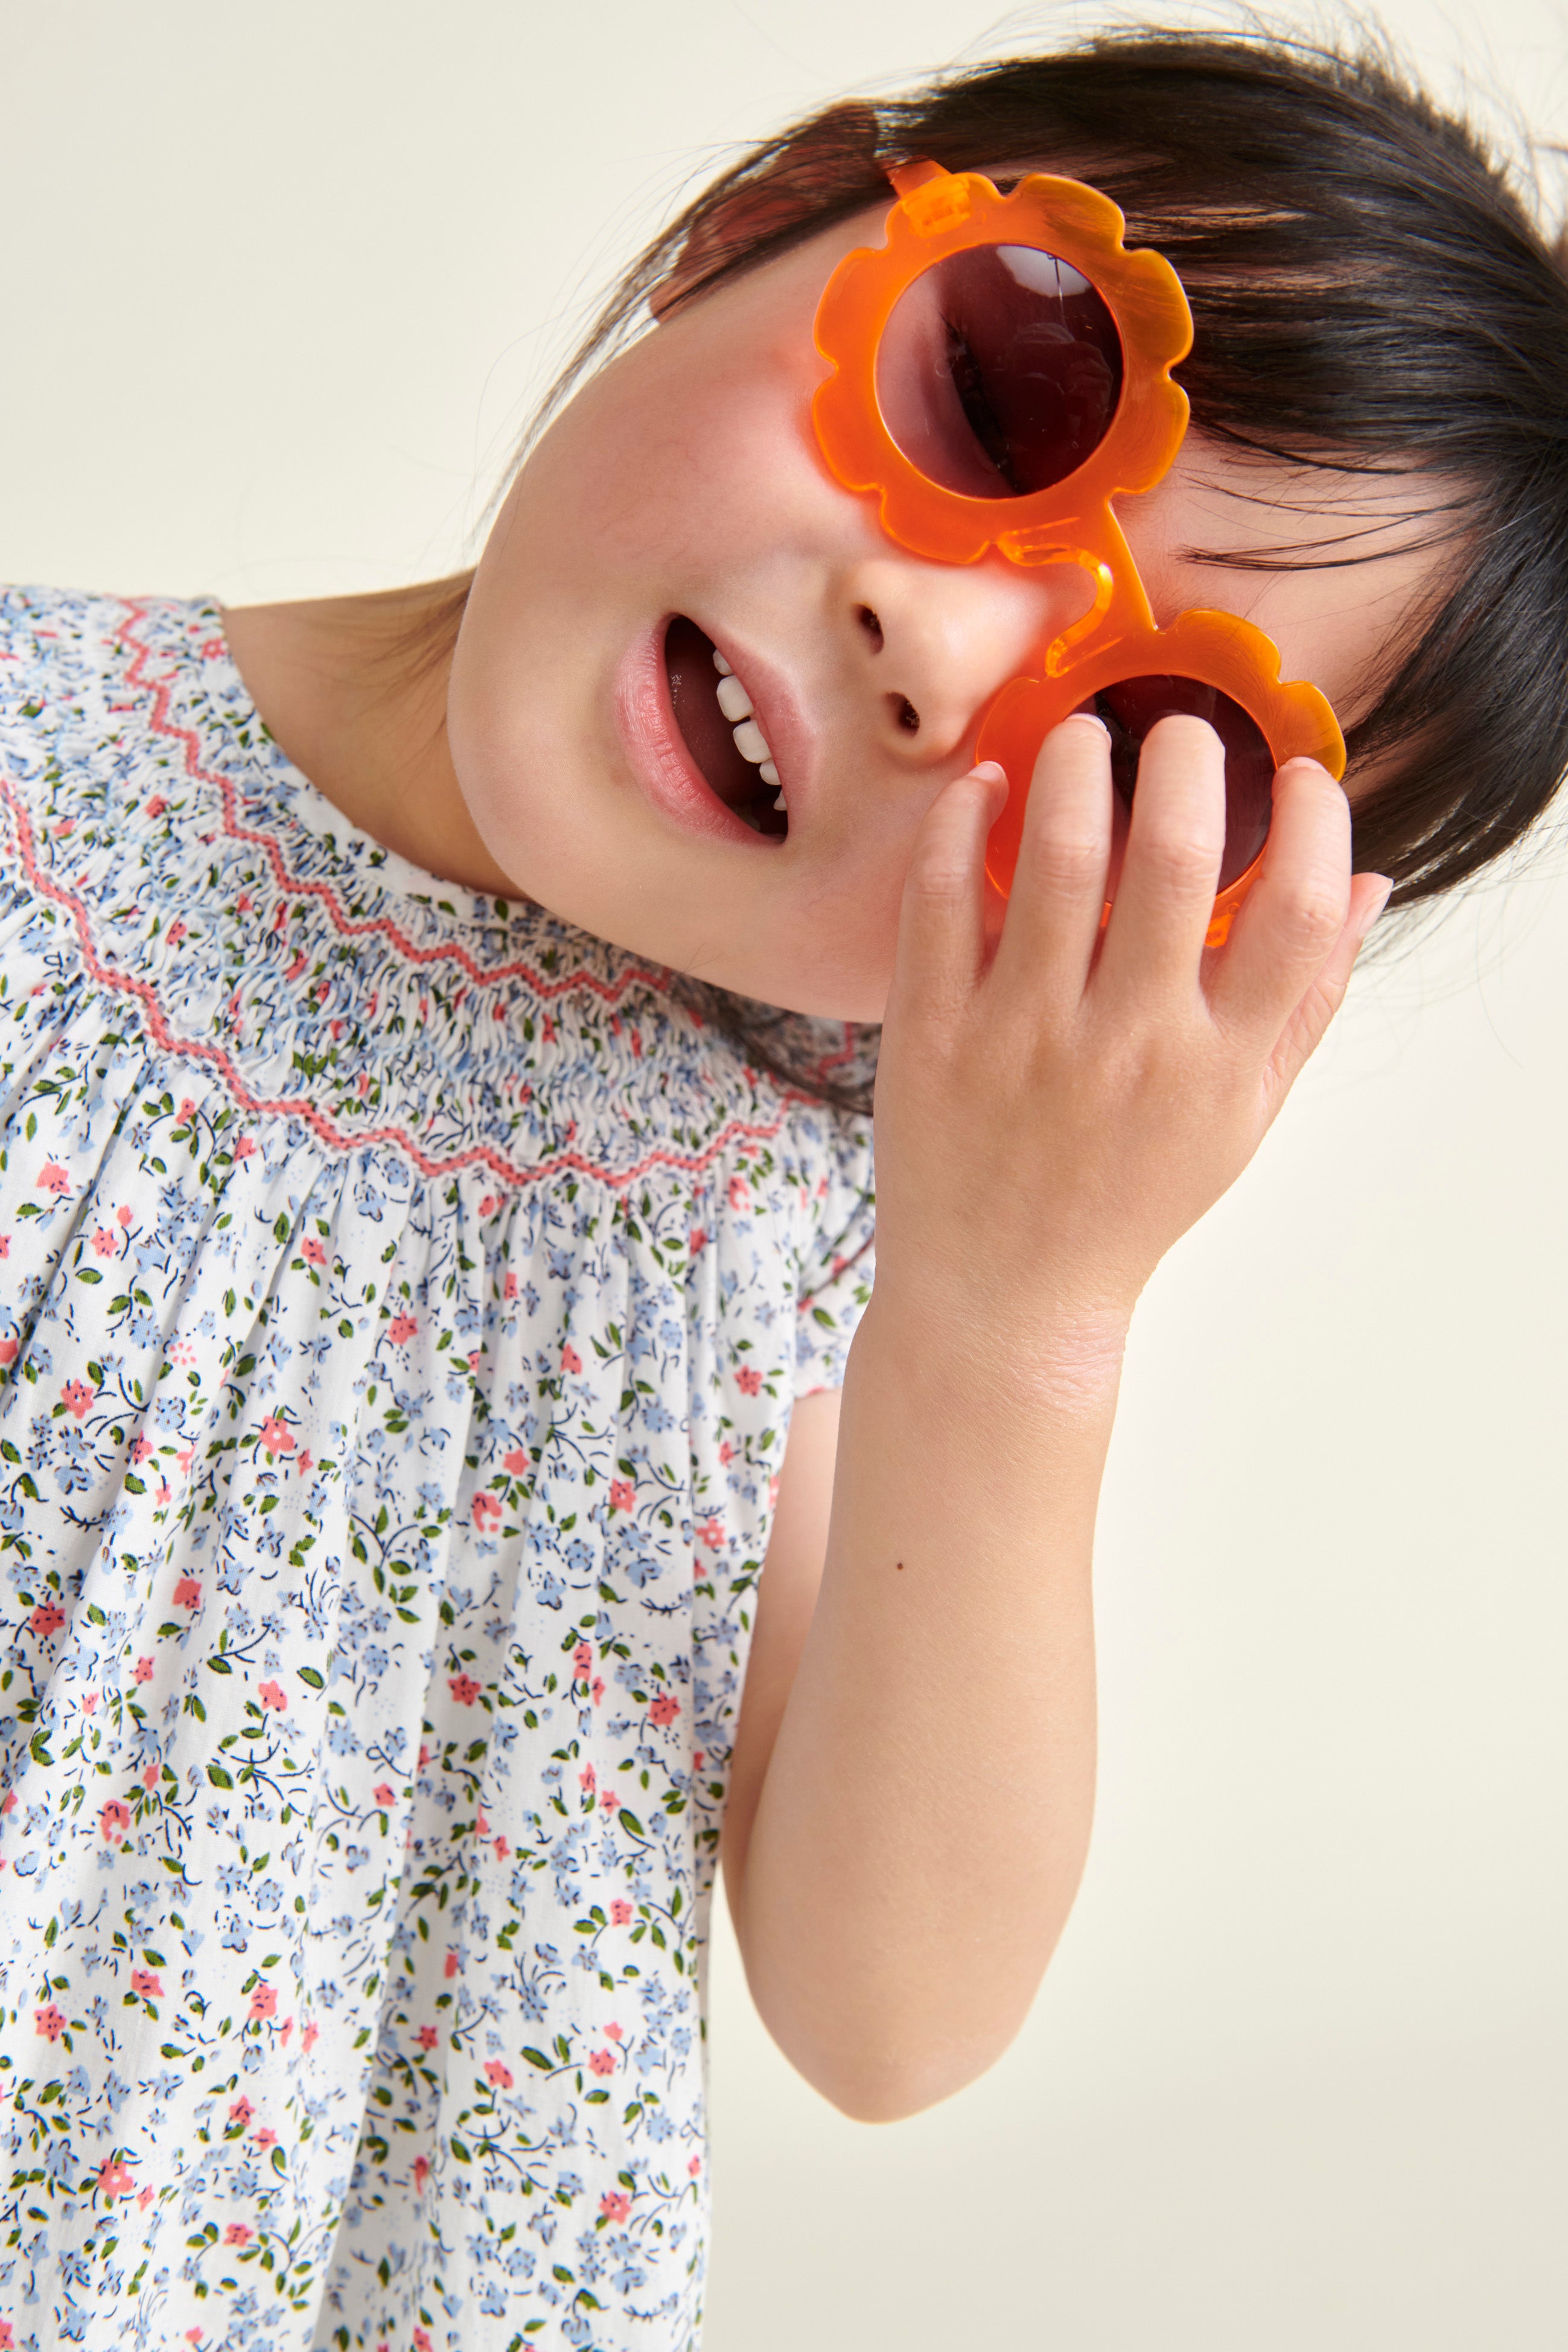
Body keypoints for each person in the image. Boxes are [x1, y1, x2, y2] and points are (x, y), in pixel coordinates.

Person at [1, 26, 1564, 2352]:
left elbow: (892, 2005)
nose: (935, 652)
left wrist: (1018, 1312)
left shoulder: (810, 1226)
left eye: (1144, 741)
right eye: (1017, 396)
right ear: (773, 222)